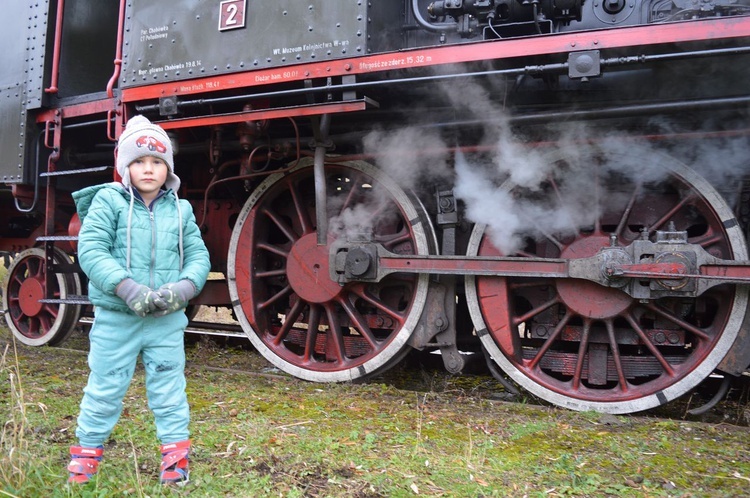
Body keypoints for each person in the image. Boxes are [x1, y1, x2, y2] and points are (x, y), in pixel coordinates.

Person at [67, 115, 210, 486]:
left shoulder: (182, 210)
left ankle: (175, 461)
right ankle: (86, 457)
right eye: (139, 161)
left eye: (158, 162)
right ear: (124, 165)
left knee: (169, 389)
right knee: (105, 387)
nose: (149, 169)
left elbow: (198, 256)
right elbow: (92, 250)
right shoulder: (108, 201)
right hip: (117, 317)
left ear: (168, 169)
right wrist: (127, 288)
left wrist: (183, 289)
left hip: (166, 320)